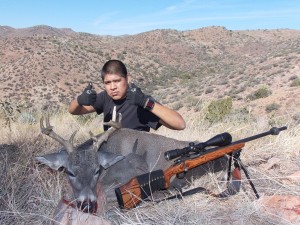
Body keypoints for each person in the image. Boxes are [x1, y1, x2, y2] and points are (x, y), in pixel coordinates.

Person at [69, 60, 186, 132]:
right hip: (110, 152)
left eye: (117, 81)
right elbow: (74, 111)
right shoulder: (105, 97)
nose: (112, 87)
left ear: (127, 78)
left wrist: (146, 103)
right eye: (107, 83)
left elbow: (180, 124)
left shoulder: (141, 101)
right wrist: (79, 100)